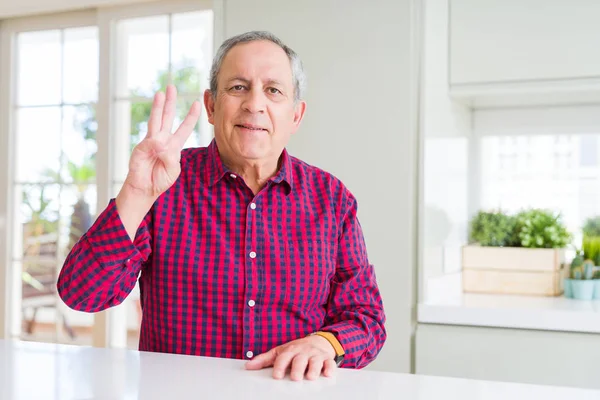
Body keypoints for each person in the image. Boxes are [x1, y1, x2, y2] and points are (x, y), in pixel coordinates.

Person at [57, 30, 386, 381]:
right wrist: (136, 194)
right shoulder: (164, 184)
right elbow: (83, 295)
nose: (254, 104)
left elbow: (366, 317)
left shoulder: (332, 199)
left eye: (273, 90)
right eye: (238, 87)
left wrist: (325, 343)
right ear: (212, 107)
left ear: (296, 115)